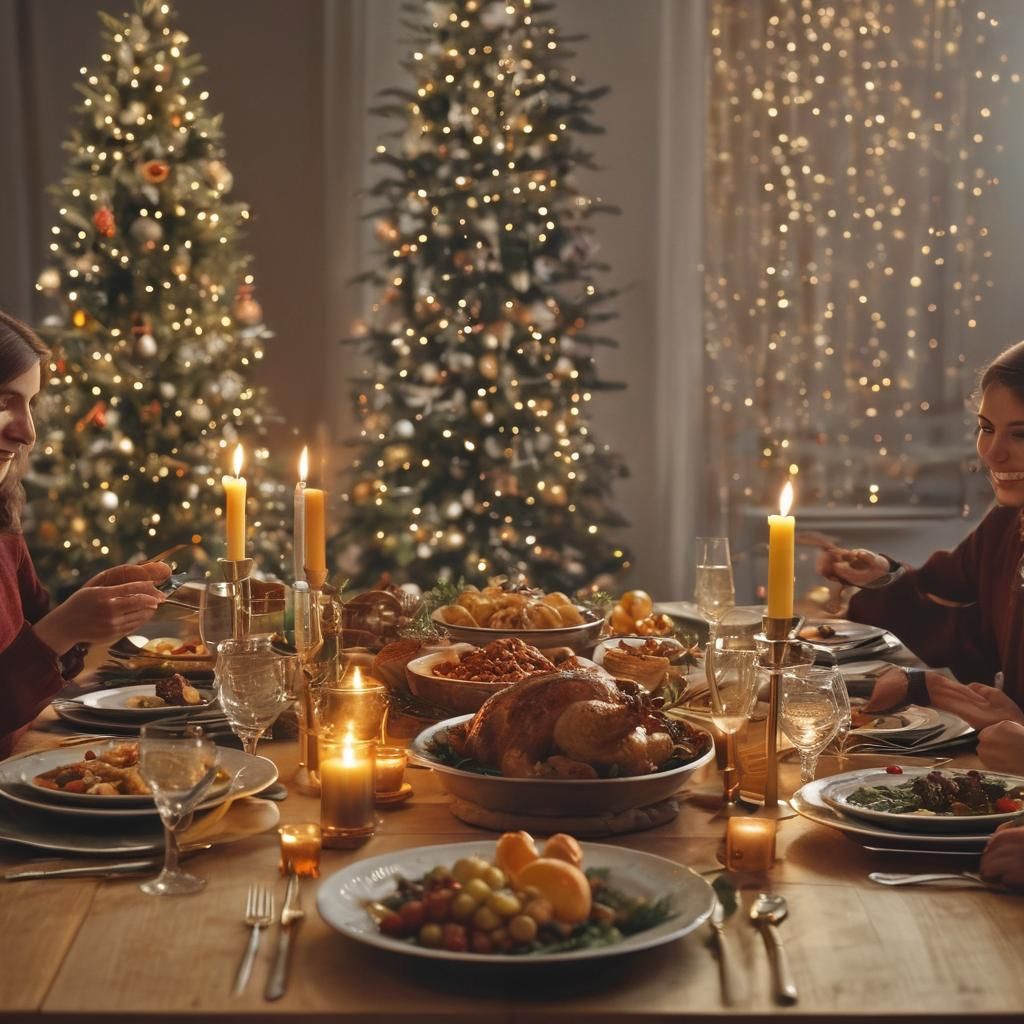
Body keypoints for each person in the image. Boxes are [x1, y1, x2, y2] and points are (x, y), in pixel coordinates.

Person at [818, 337, 1024, 722]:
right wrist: (884, 578)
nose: (992, 453)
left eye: (1020, 434)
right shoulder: (1007, 526)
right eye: (986, 428)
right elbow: (973, 640)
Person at [0, 309, 169, 757]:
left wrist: (88, 612)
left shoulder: (3, 524)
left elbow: (32, 640)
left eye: (30, 404)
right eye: (2, 402)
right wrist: (61, 630)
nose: (27, 433)